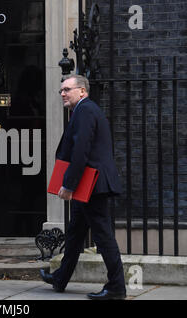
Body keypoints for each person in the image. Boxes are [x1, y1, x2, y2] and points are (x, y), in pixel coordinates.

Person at [40, 75, 126, 300]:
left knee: (103, 236)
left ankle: (117, 287)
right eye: (61, 90)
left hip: (92, 185)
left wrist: (69, 184)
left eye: (67, 89)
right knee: (76, 232)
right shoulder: (82, 110)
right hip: (89, 184)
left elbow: (81, 150)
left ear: (82, 91)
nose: (62, 94)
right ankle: (60, 278)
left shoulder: (86, 110)